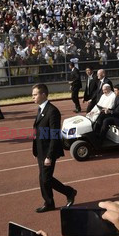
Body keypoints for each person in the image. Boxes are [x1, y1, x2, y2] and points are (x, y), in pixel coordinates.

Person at [31, 84, 77, 213]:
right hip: (40, 150)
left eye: (35, 94)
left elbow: (55, 135)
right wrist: (35, 149)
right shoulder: (41, 109)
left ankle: (69, 192)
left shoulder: (52, 111)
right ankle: (49, 202)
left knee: (46, 178)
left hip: (48, 152)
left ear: (43, 95)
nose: (32, 97)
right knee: (43, 179)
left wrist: (49, 156)